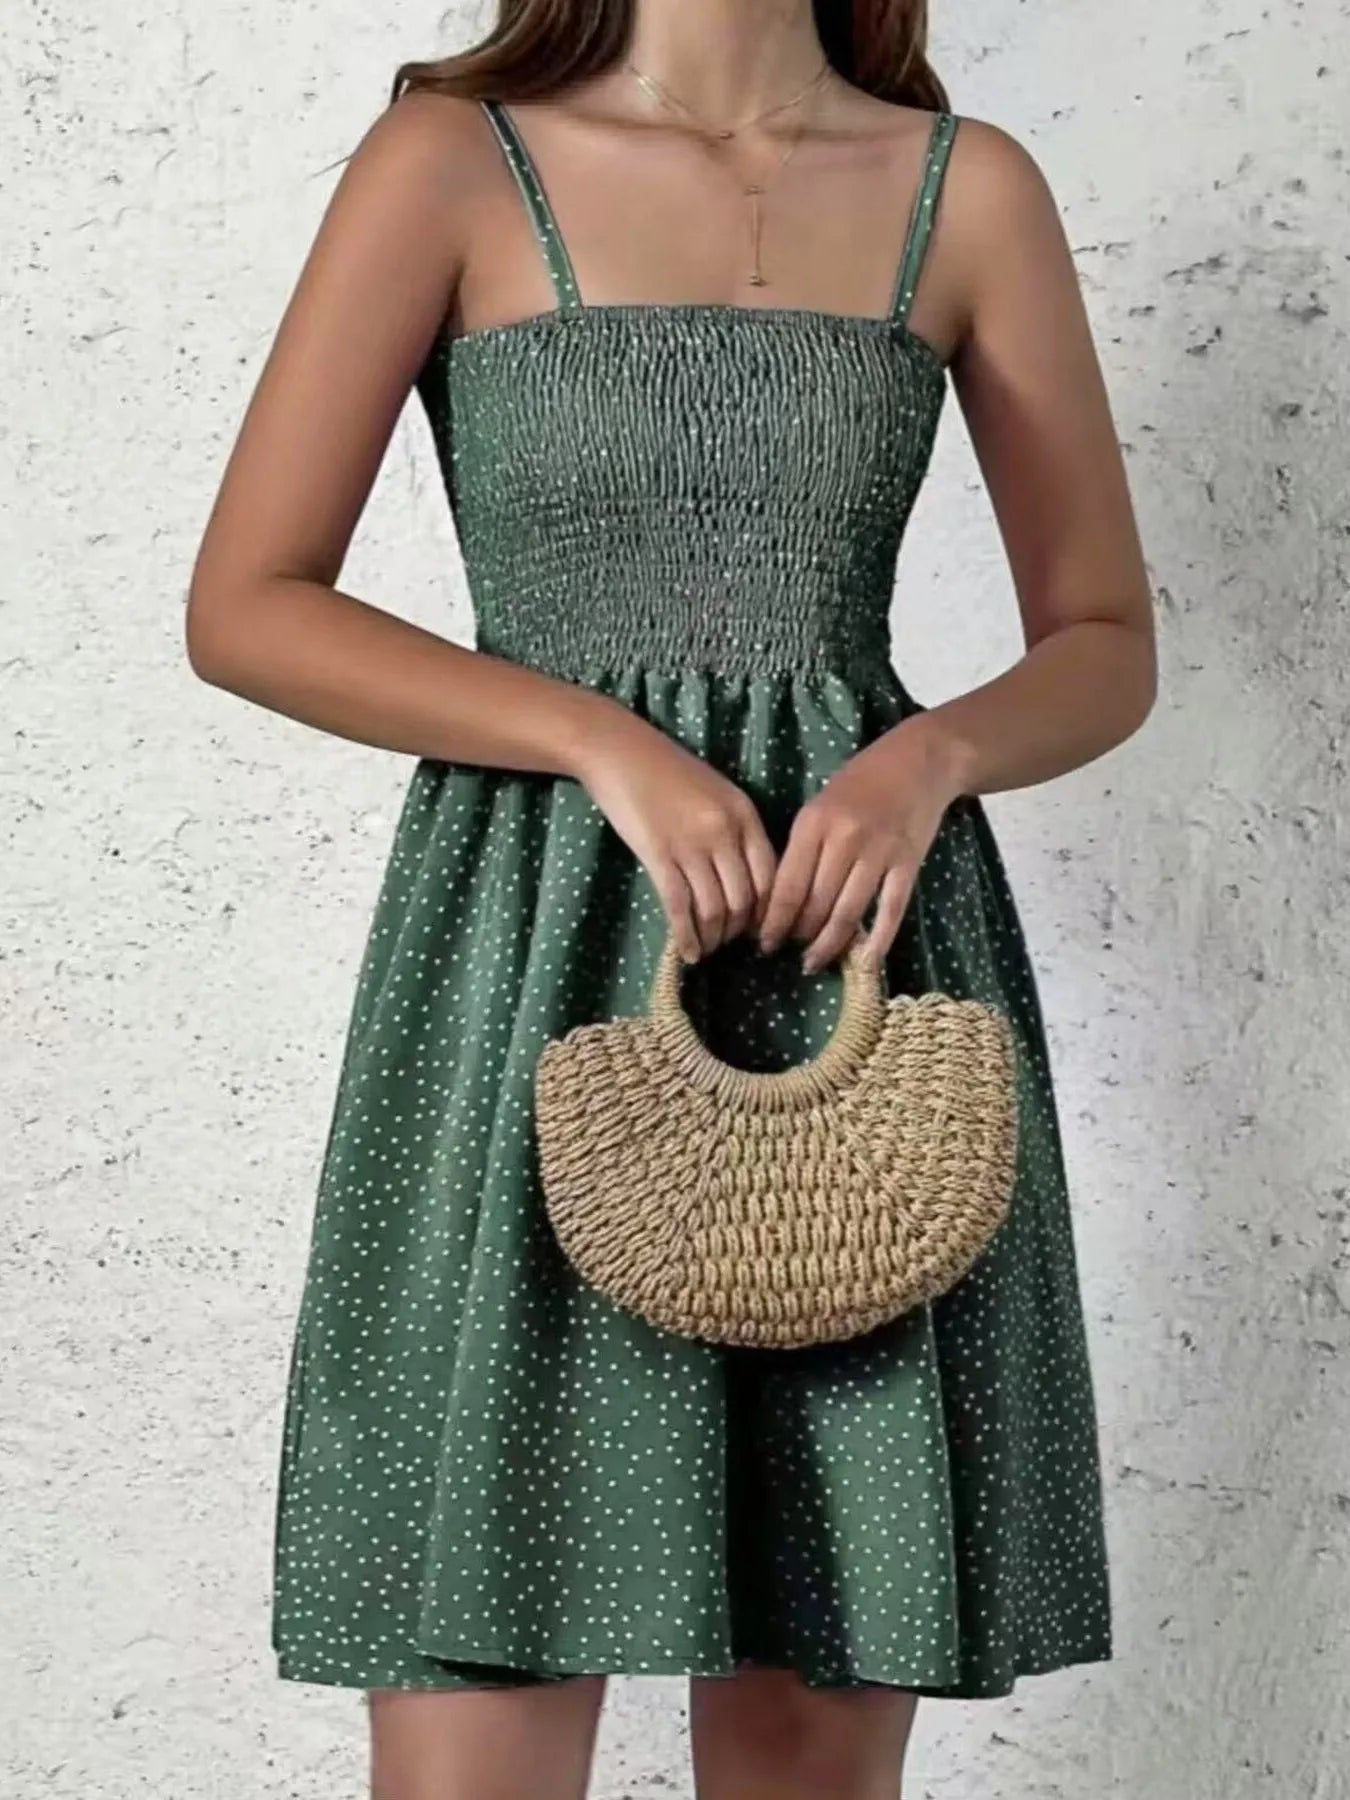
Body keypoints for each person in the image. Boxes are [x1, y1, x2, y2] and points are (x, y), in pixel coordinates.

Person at [185, 1, 1156, 1794]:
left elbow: (1102, 640)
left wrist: (926, 759)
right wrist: (593, 739)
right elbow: (247, 603)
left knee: (809, 1744)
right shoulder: (447, 164)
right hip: (526, 963)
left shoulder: (967, 192)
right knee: (468, 1737)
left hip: (850, 964)